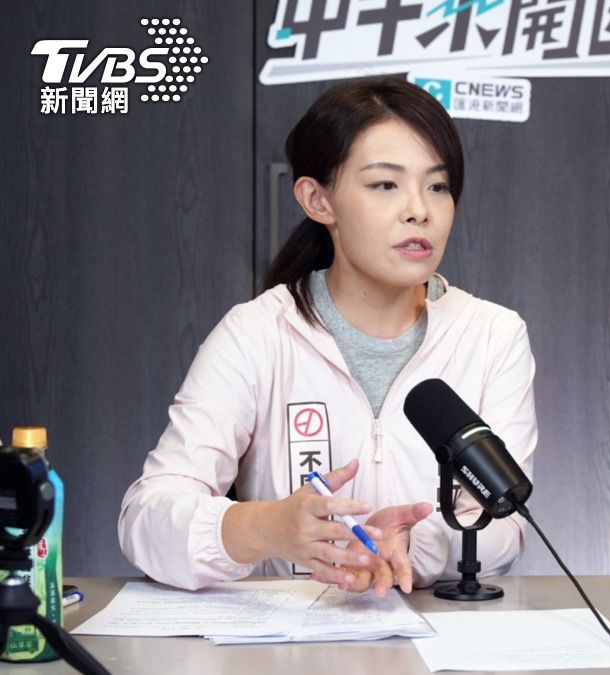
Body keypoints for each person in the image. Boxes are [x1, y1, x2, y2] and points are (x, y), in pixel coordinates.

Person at [119, 78, 537, 596]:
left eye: (438, 186)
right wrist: (267, 527)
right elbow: (146, 520)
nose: (420, 210)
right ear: (318, 200)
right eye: (385, 185)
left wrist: (410, 543)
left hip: (433, 630)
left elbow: (505, 525)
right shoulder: (257, 334)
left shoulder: (492, 335)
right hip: (287, 633)